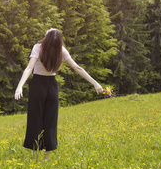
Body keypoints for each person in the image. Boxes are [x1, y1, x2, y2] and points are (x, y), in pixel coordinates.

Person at [15, 28, 103, 160]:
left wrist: (20, 86)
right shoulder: (61, 50)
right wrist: (95, 83)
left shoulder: (38, 47)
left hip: (38, 85)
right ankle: (46, 157)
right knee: (50, 121)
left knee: (35, 119)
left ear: (47, 37)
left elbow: (29, 68)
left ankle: (36, 157)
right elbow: (77, 68)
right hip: (52, 87)